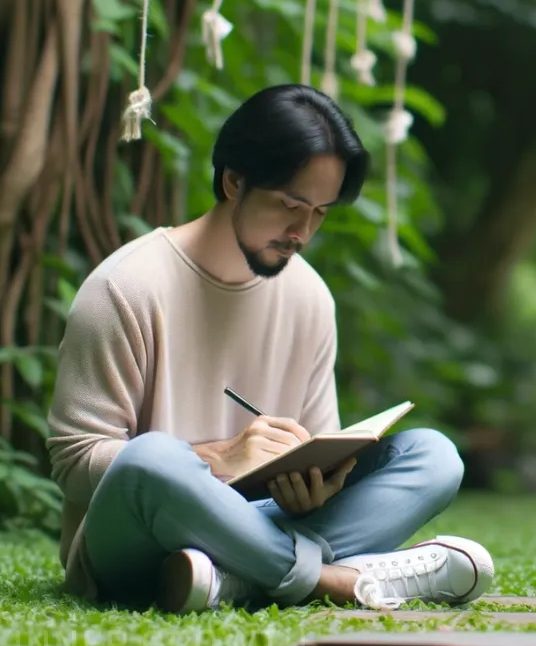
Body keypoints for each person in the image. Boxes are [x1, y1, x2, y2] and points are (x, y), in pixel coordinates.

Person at [46, 84, 494, 613]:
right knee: (152, 458)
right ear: (234, 181)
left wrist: (318, 485)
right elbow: (76, 461)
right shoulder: (126, 286)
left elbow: (323, 443)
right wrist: (218, 459)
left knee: (434, 456)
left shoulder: (309, 298)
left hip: (258, 526)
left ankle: (229, 579)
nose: (302, 231)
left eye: (321, 213)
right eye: (290, 205)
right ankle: (329, 580)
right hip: (138, 539)